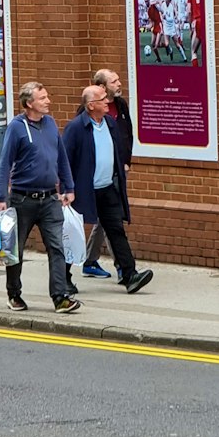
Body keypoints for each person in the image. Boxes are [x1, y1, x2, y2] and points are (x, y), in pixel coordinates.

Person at [0, 81, 81, 313]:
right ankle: (14, 294)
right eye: (42, 98)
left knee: (57, 247)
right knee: (16, 250)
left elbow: (61, 157)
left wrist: (68, 187)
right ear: (29, 103)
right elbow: (5, 164)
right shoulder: (16, 127)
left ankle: (60, 297)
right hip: (22, 200)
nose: (48, 101)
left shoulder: (51, 124)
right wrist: (0, 196)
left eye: (47, 96)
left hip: (50, 199)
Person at [62, 85, 152, 296]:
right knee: (72, 232)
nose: (106, 102)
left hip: (107, 187)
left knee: (116, 230)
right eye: (102, 99)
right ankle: (63, 278)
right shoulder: (76, 127)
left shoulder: (110, 123)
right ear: (91, 105)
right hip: (83, 190)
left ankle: (130, 276)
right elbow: (64, 159)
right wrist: (66, 188)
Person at [81, 68, 134, 279]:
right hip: (97, 177)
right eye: (114, 81)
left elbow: (127, 134)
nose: (119, 84)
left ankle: (90, 261)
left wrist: (126, 162)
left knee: (109, 218)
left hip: (118, 171)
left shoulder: (120, 106)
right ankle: (122, 267)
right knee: (112, 219)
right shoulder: (85, 114)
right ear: (102, 87)